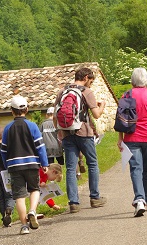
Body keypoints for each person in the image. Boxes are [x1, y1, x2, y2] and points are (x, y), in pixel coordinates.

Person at [53, 67, 107, 213]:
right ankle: (95, 198)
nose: (91, 84)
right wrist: (102, 106)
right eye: (91, 81)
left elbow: (54, 116)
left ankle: (73, 203)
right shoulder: (86, 92)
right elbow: (96, 114)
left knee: (71, 168)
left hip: (67, 134)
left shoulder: (62, 92)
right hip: (84, 133)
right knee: (93, 164)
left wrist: (60, 132)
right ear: (86, 78)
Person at [1, 95, 49, 235]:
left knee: (19, 196)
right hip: (32, 164)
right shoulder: (32, 126)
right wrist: (44, 163)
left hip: (14, 166)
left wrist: (7, 166)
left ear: (12, 111)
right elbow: (40, 147)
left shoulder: (7, 129)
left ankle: (24, 226)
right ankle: (32, 211)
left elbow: (3, 151)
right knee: (34, 189)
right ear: (26, 109)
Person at [118, 67, 147, 217]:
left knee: (136, 169)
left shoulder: (126, 95)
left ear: (132, 80)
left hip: (131, 137)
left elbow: (121, 118)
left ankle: (139, 199)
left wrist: (120, 138)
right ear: (146, 79)